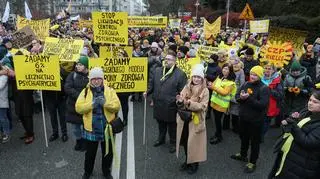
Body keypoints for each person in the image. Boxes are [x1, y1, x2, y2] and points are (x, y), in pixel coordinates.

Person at [75, 67, 121, 179]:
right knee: (90, 154)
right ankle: (87, 172)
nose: (96, 81)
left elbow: (117, 106)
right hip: (91, 129)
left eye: (98, 78)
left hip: (107, 128)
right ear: (90, 80)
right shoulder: (85, 92)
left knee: (108, 153)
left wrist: (105, 104)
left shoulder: (110, 90)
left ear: (102, 78)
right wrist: (92, 104)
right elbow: (78, 108)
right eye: (93, 79)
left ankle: (106, 171)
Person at [268, 90, 320, 179]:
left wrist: (293, 125)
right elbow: (295, 127)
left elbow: (308, 142)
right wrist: (288, 122)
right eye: (310, 100)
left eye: (315, 102)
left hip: (303, 163)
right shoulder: (306, 111)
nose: (310, 103)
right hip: (291, 156)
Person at [144, 52, 187, 153]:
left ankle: (173, 143)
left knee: (172, 126)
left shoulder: (180, 74)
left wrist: (179, 101)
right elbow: (152, 84)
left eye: (169, 59)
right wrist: (147, 91)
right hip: (158, 103)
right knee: (161, 123)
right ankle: (161, 139)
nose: (166, 61)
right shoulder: (158, 70)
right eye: (165, 59)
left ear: (175, 61)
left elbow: (183, 91)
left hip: (171, 105)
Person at [231, 66, 270, 173]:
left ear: (260, 76)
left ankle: (252, 162)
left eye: (255, 75)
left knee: (254, 142)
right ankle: (243, 154)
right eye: (251, 74)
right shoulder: (246, 84)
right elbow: (237, 96)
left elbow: (262, 105)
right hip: (243, 118)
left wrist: (248, 98)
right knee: (243, 137)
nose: (252, 76)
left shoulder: (264, 88)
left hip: (256, 121)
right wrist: (241, 98)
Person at [176, 64, 209, 174]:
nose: (196, 79)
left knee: (194, 144)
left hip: (196, 121)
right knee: (185, 142)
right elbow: (181, 99)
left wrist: (189, 103)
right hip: (185, 119)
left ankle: (195, 164)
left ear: (202, 78)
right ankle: (187, 161)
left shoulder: (205, 91)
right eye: (194, 76)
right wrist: (180, 101)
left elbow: (203, 106)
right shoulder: (187, 86)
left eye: (198, 77)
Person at [64, 56, 89, 151]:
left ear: (86, 66)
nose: (78, 66)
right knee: (76, 128)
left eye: (81, 65)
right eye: (77, 64)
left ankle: (85, 142)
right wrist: (80, 96)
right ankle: (79, 141)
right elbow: (67, 88)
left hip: (85, 107)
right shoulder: (72, 75)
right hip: (73, 106)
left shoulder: (90, 76)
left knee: (86, 126)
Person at [208, 63, 236, 144]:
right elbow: (213, 85)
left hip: (221, 105)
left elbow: (224, 92)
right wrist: (211, 85)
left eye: (227, 69)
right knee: (216, 121)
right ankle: (217, 134)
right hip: (214, 102)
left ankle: (219, 137)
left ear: (230, 71)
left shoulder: (231, 83)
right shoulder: (220, 77)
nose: (224, 70)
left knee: (218, 121)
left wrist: (213, 87)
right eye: (224, 68)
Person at [261, 63, 283, 141]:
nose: (267, 70)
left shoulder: (278, 81)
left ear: (273, 70)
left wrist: (270, 89)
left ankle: (260, 137)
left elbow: (280, 95)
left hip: (270, 107)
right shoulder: (260, 77)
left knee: (265, 123)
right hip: (260, 104)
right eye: (266, 68)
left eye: (269, 68)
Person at [0, 63, 10, 143]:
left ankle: (6, 133)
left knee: (3, 118)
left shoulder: (4, 74)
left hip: (1, 101)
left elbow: (0, 86)